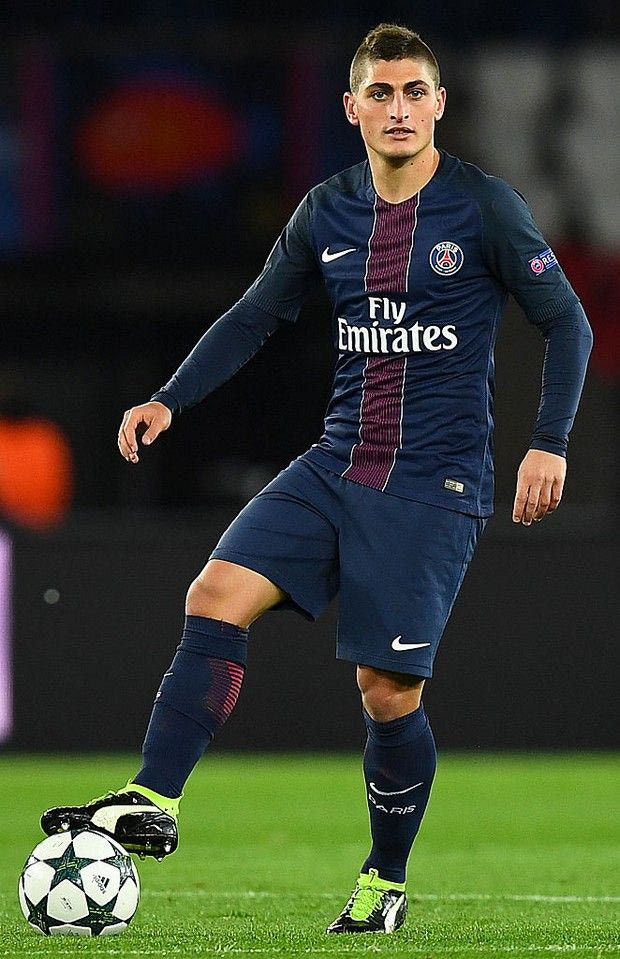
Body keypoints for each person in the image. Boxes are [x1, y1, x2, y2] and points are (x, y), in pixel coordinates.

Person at [41, 23, 593, 935]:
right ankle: (155, 798)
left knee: (387, 690)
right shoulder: (327, 211)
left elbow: (568, 321)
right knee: (215, 594)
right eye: (380, 93)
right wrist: (170, 399)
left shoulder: (483, 207)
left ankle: (385, 879)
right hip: (337, 461)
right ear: (352, 108)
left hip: (433, 484)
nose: (398, 109)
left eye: (413, 92)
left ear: (439, 104)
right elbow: (257, 312)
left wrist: (551, 441)